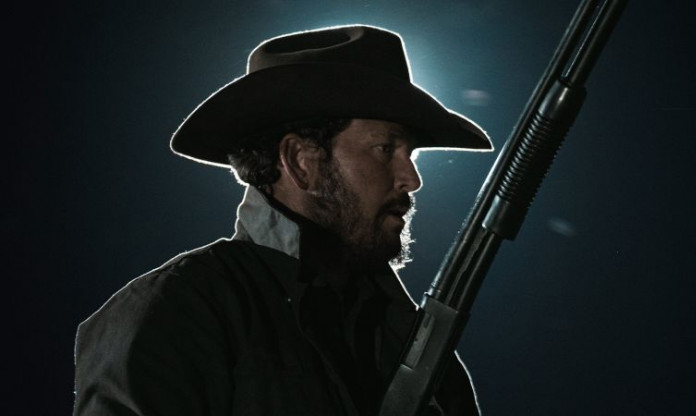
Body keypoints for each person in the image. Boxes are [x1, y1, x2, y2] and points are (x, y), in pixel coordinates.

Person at [73, 25, 493, 416]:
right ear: (300, 161)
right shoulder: (180, 309)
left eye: (410, 154)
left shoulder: (407, 335)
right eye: (385, 149)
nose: (411, 179)